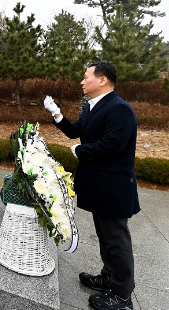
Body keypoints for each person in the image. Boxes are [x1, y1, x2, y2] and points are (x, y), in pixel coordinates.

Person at [44, 61, 139, 310]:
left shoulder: (120, 109)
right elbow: (76, 129)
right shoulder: (92, 106)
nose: (82, 81)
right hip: (100, 186)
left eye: (86, 77)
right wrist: (57, 115)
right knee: (105, 237)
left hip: (114, 187)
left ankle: (121, 294)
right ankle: (109, 277)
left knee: (116, 239)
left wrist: (80, 150)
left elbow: (112, 145)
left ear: (103, 80)